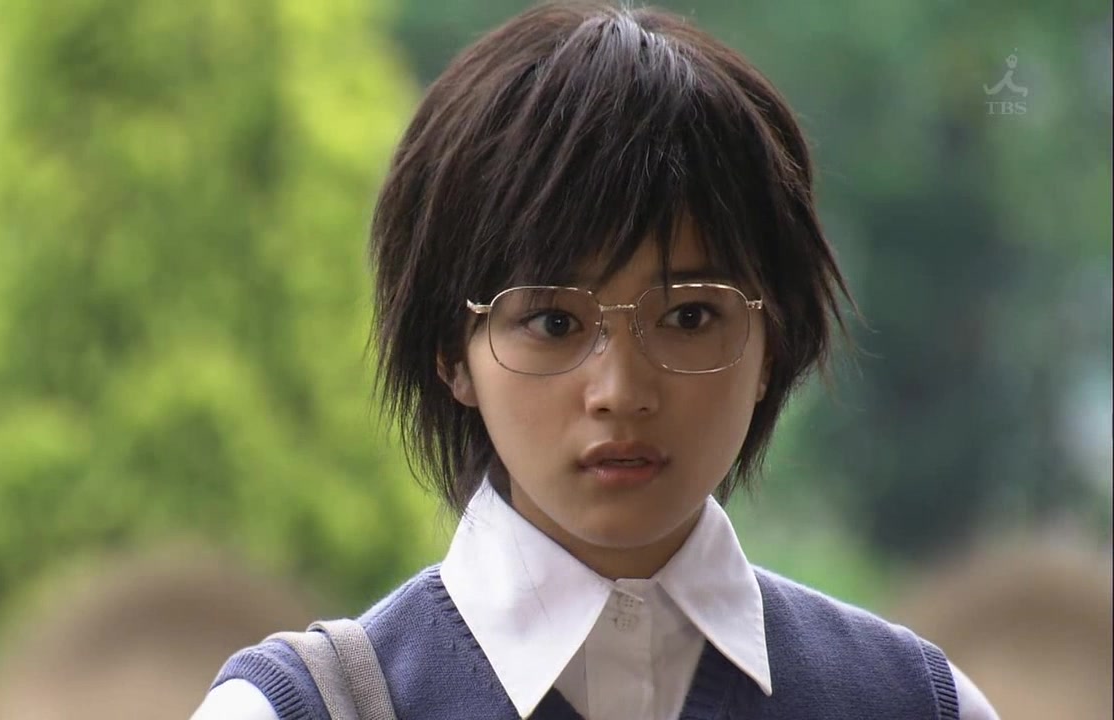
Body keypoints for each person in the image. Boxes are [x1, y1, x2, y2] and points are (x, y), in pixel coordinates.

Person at [193, 2, 1000, 718]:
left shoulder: (914, 704)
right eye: (553, 322)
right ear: (451, 354)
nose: (620, 391)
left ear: (772, 342)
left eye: (688, 316)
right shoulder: (301, 711)